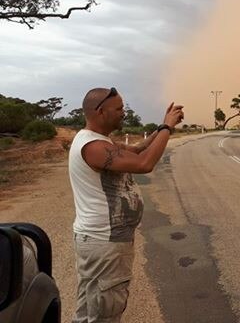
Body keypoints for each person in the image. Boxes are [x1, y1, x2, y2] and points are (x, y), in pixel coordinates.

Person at [68, 87, 184, 323]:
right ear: (100, 112)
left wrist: (162, 127)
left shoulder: (99, 140)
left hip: (101, 240)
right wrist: (168, 128)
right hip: (104, 242)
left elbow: (138, 149)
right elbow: (144, 163)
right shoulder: (93, 147)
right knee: (104, 312)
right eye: (119, 108)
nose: (124, 112)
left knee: (91, 308)